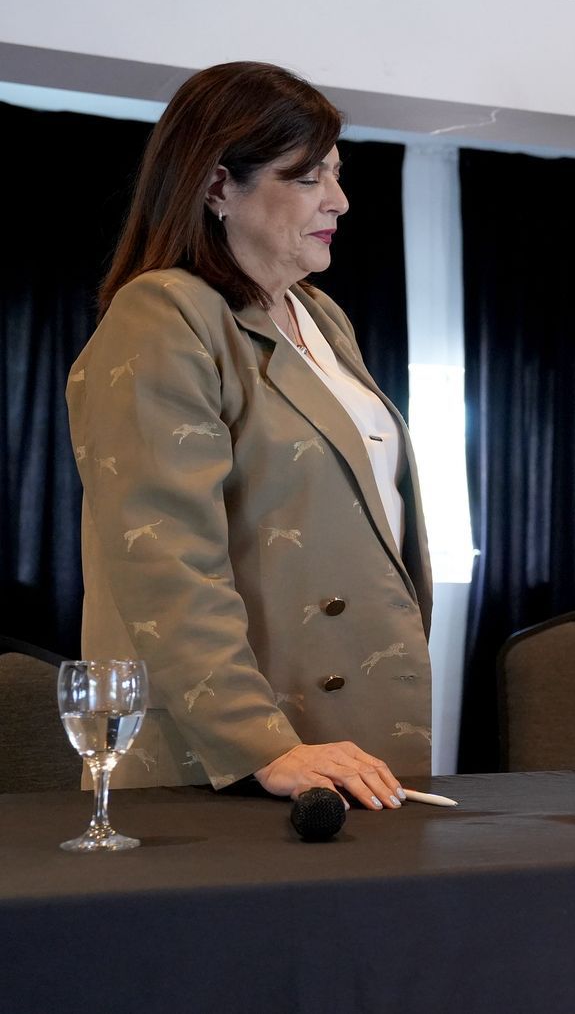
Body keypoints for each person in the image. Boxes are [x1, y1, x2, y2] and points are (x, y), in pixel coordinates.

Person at [69, 62, 432, 808]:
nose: (339, 199)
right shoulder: (164, 313)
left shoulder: (320, 316)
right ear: (217, 187)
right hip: (237, 760)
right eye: (307, 177)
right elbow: (165, 560)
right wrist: (262, 745)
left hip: (350, 738)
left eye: (337, 173)